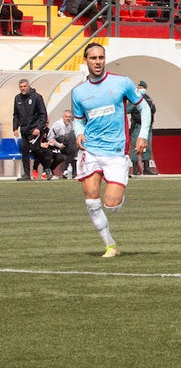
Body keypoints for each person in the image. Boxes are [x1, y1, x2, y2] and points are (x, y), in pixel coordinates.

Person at [70, 43, 151, 257]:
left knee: (111, 205)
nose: (97, 62)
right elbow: (78, 120)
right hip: (91, 151)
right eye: (93, 58)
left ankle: (117, 193)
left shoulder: (121, 83)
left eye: (101, 58)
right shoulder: (78, 92)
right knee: (91, 201)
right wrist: (78, 133)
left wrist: (143, 134)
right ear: (85, 60)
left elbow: (144, 107)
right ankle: (110, 246)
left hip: (115, 151)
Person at [12, 78, 48, 181]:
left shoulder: (37, 97)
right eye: (21, 87)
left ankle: (47, 167)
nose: (23, 88)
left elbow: (43, 115)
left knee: (35, 149)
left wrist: (38, 128)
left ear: (28, 86)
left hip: (34, 130)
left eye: (24, 86)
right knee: (25, 152)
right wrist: (15, 127)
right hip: (24, 130)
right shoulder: (17, 98)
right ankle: (27, 174)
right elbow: (16, 115)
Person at [128, 81, 158, 176]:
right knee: (135, 146)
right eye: (139, 87)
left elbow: (153, 110)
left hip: (147, 126)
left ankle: (146, 167)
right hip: (137, 125)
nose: (140, 88)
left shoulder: (148, 98)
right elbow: (127, 110)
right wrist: (135, 103)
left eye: (142, 87)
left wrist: (152, 105)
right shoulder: (134, 98)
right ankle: (135, 167)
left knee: (147, 146)